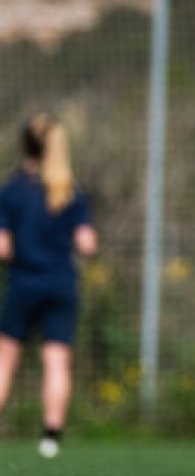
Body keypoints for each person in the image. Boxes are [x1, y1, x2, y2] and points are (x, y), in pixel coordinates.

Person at [0, 114, 98, 459]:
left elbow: (2, 247)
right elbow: (87, 244)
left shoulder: (12, 190)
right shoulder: (71, 190)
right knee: (56, 361)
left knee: (5, 357)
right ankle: (51, 438)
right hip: (61, 284)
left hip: (23, 283)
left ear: (24, 144)